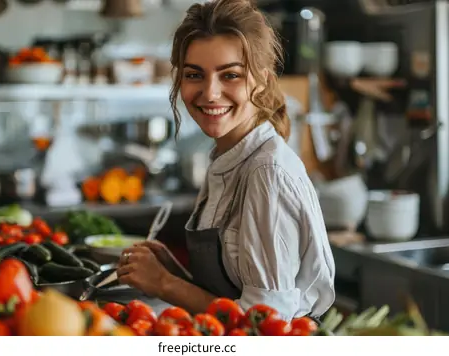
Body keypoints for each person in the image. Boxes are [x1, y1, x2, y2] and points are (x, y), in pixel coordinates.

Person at [117, 0, 336, 321]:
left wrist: (165, 283)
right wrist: (173, 271)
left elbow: (265, 322)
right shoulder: (226, 154)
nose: (210, 93)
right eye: (194, 75)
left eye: (230, 75)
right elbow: (231, 292)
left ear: (261, 79)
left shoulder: (266, 172)